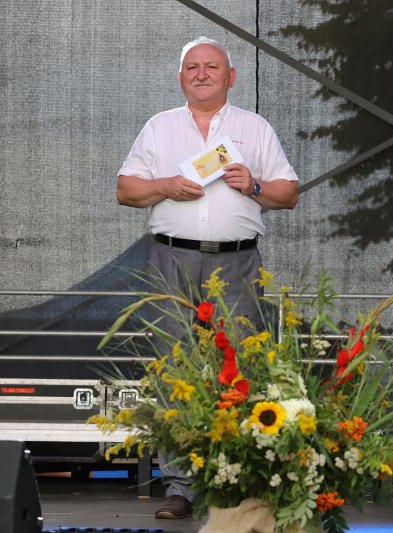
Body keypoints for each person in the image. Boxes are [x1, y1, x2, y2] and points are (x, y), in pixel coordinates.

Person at [116, 36, 299, 519]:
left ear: (230, 77)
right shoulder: (159, 127)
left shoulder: (254, 128)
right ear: (180, 77)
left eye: (211, 66)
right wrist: (164, 186)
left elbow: (288, 193)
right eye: (192, 67)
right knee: (173, 370)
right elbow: (125, 189)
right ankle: (180, 487)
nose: (201, 73)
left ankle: (232, 481)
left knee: (239, 367)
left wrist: (253, 185)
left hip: (237, 263)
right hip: (171, 259)